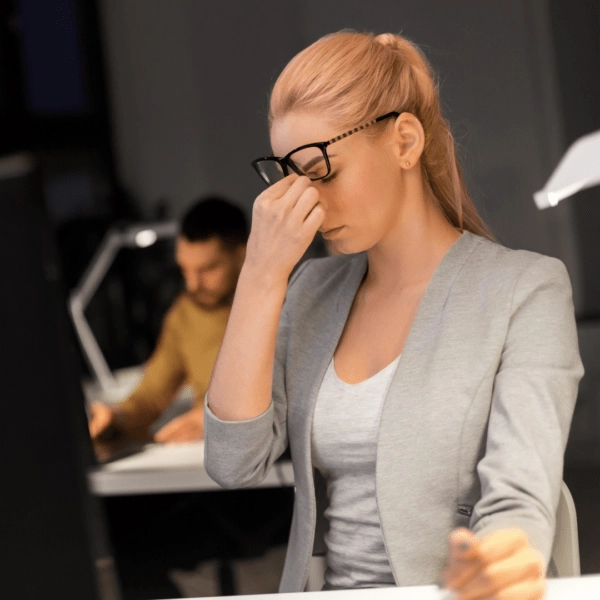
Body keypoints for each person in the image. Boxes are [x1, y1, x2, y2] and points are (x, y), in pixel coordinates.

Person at [202, 30, 585, 599]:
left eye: (322, 170)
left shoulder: (526, 289)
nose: (306, 201)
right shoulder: (311, 289)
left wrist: (502, 562)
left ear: (405, 141)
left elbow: (519, 499)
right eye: (287, 176)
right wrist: (260, 276)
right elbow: (234, 463)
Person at [88, 196, 248, 443]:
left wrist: (220, 419)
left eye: (207, 269)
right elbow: (153, 394)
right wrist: (116, 417)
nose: (192, 284)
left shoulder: (286, 303)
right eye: (185, 269)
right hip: (209, 459)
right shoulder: (186, 313)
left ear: (242, 254)